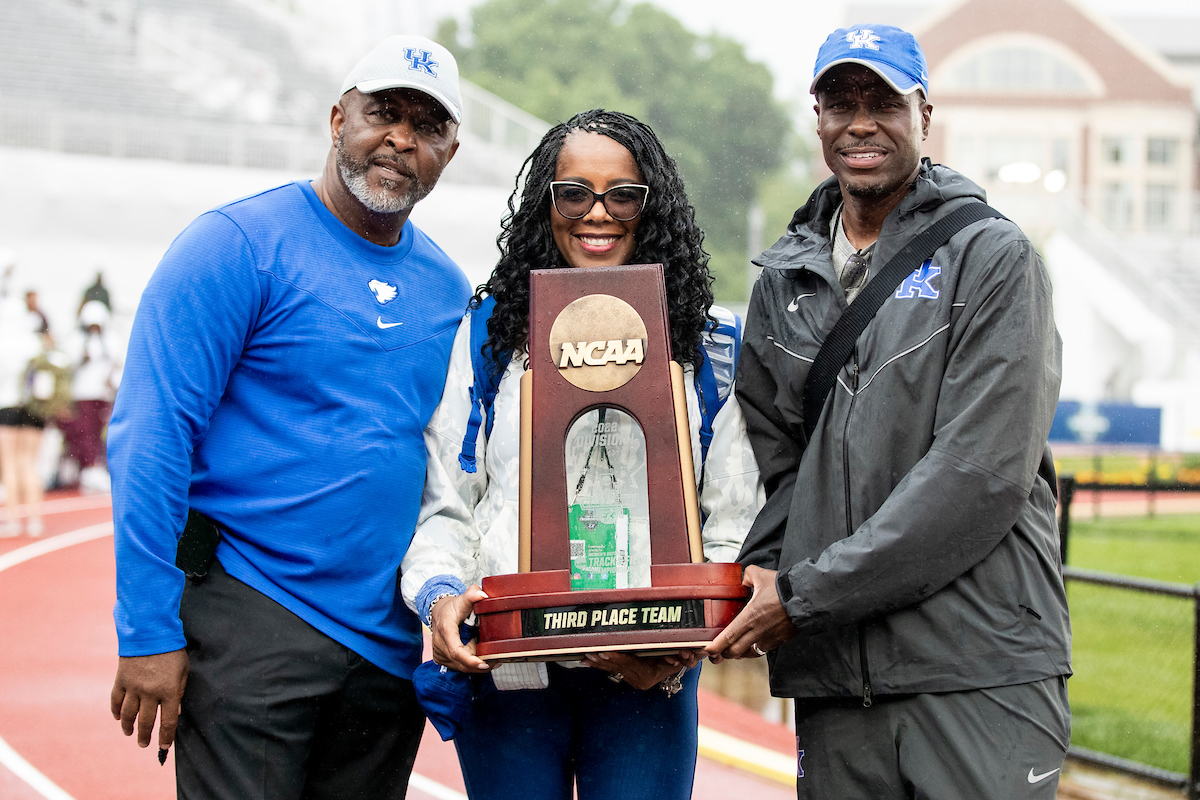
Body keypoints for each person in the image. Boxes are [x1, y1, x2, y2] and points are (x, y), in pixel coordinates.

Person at [707, 25, 1071, 800]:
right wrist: (711, 599)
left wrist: (801, 599)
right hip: (837, 681)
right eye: (840, 102)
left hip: (977, 670)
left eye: (883, 101)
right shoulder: (782, 280)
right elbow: (781, 478)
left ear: (924, 114)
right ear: (818, 119)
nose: (860, 121)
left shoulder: (994, 258)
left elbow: (978, 477)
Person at [107, 35, 470, 799]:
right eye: (384, 113)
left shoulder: (446, 289)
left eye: (427, 126)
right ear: (338, 118)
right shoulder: (235, 246)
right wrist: (146, 629)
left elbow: (446, 464)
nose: (401, 139)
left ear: (451, 152)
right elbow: (151, 436)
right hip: (252, 619)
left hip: (385, 648)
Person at [401, 109, 763, 800]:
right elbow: (446, 498)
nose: (597, 213)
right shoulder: (489, 337)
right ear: (548, 203)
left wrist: (681, 642)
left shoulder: (709, 346)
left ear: (653, 208)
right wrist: (441, 595)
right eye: (575, 193)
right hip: (511, 667)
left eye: (622, 194)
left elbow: (735, 514)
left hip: (647, 676)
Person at [0, 271, 48, 537]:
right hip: (35, 408)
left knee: (10, 462)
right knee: (31, 462)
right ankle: (34, 519)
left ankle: (13, 519)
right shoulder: (35, 341)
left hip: (7, 405)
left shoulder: (4, 342)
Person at [61, 300, 121, 493]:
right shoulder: (77, 339)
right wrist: (81, 356)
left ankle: (99, 469)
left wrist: (111, 379)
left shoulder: (111, 338)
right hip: (82, 393)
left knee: (102, 432)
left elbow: (117, 361)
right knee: (85, 432)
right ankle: (88, 470)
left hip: (103, 393)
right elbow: (68, 363)